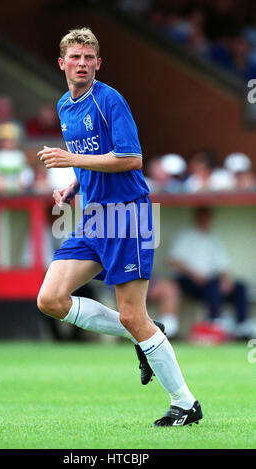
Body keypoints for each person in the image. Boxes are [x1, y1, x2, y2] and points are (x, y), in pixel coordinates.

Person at [36, 27, 202, 427]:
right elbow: (90, 157)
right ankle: (145, 333)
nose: (82, 64)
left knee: (133, 315)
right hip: (94, 217)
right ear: (62, 63)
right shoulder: (64, 105)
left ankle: (184, 403)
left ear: (98, 63)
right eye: (75, 57)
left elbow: (130, 158)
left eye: (89, 58)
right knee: (50, 299)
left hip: (128, 215)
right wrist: (74, 183)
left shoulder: (110, 100)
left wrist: (69, 160)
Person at [168, 206, 251, 339]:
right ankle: (214, 324)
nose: (205, 220)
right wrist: (194, 275)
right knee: (212, 285)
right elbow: (173, 261)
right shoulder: (186, 236)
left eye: (208, 217)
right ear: (197, 217)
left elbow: (223, 267)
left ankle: (243, 327)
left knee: (240, 287)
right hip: (187, 280)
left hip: (210, 282)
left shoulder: (214, 240)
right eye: (203, 216)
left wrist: (226, 281)